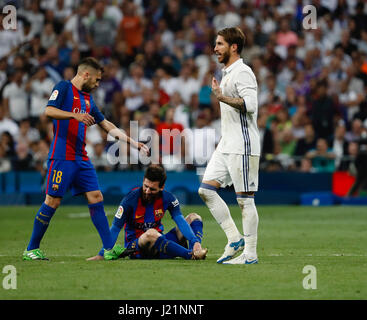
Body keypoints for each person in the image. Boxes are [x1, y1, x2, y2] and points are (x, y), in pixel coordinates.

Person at [23, 57, 148, 261]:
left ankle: (108, 248)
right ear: (86, 74)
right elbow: (48, 110)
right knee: (52, 201)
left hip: (81, 158)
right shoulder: (63, 87)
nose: (98, 84)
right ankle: (31, 248)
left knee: (96, 197)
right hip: (62, 157)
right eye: (97, 80)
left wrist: (133, 143)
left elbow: (106, 124)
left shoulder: (88, 99)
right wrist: (74, 116)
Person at [198, 27, 260, 265]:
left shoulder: (243, 72)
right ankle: (235, 239)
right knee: (205, 190)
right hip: (227, 143)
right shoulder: (227, 73)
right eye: (216, 44)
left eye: (220, 44)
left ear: (234, 47)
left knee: (245, 200)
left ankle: (250, 255)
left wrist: (221, 97)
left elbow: (251, 105)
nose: (215, 48)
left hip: (242, 145)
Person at [87, 165, 208, 261]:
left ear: (162, 187)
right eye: (146, 186)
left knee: (194, 217)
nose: (147, 191)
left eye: (152, 189)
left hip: (160, 241)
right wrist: (102, 253)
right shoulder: (130, 200)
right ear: (143, 181)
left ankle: (196, 249)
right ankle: (189, 255)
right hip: (137, 247)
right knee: (151, 233)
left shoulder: (168, 198)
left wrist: (194, 240)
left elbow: (180, 221)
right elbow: (115, 228)